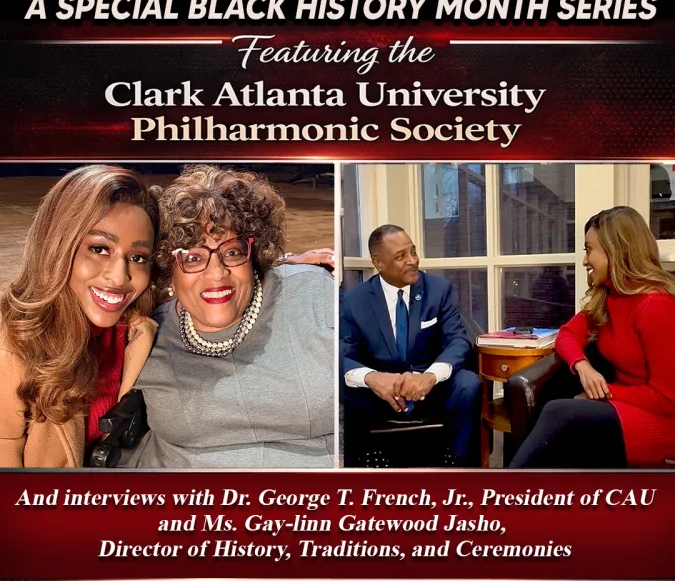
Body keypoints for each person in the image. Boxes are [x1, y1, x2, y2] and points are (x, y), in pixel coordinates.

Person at [128, 164, 334, 468]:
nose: (216, 275)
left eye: (232, 253)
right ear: (166, 266)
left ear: (253, 256)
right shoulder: (143, 333)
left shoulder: (313, 295)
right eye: (193, 257)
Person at [0, 165, 159, 467]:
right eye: (99, 248)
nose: (119, 275)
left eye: (138, 257)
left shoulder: (138, 328)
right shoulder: (11, 351)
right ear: (58, 247)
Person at [511, 206, 675, 468]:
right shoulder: (610, 296)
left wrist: (604, 394)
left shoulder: (656, 306)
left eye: (589, 249)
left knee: (559, 414)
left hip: (658, 422)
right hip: (624, 406)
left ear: (616, 250)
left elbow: (668, 400)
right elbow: (567, 334)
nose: (585, 260)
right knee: (557, 405)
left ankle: (504, 495)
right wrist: (582, 365)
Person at [340, 224, 480, 467]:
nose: (412, 260)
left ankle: (460, 469)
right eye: (400, 256)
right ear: (378, 262)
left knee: (468, 384)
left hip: (431, 389)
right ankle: (360, 472)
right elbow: (343, 355)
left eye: (413, 252)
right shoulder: (354, 300)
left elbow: (458, 340)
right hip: (382, 395)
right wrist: (372, 378)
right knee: (341, 387)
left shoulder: (439, 290)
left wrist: (430, 376)